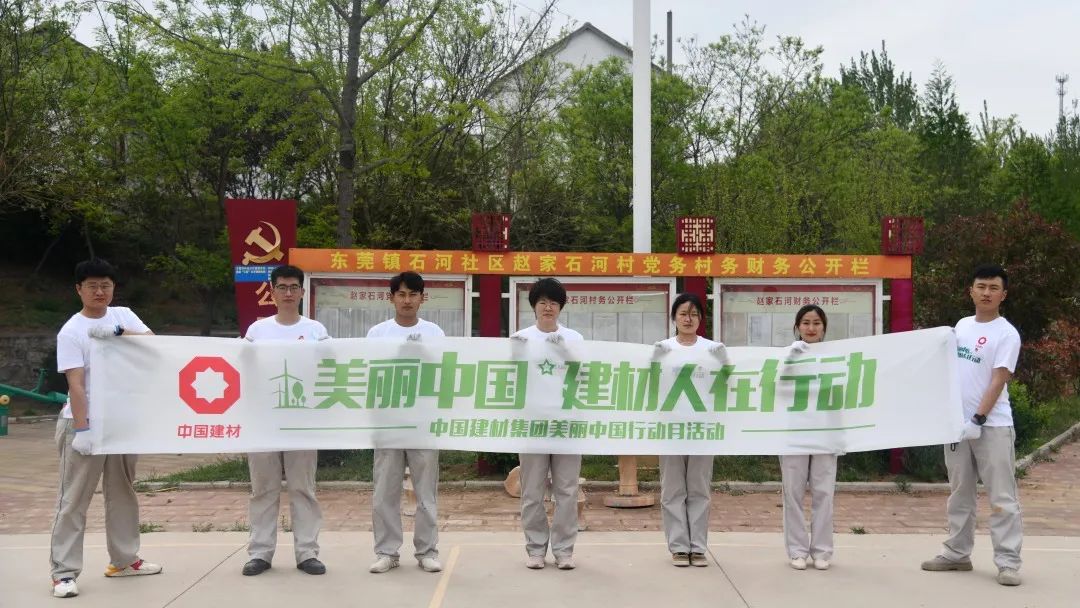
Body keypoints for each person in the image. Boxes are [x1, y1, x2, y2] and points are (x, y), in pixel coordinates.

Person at [50, 258, 162, 598]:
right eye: (92, 286)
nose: (100, 292)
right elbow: (76, 385)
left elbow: (153, 343)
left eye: (106, 285)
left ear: (113, 288)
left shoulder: (123, 316)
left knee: (123, 492)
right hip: (83, 423)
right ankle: (63, 573)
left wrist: (118, 334)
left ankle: (124, 560)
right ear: (79, 289)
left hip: (122, 421)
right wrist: (83, 429)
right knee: (74, 498)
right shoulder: (71, 331)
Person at [921, 264, 1023, 586]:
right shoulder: (962, 326)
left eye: (994, 288)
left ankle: (1008, 562)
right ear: (971, 291)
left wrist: (978, 419)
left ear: (1003, 295)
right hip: (957, 426)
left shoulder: (1007, 334)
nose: (986, 293)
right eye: (981, 287)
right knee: (959, 493)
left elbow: (998, 379)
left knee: (1001, 497)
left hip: (992, 427)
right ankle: (957, 553)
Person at [242, 265, 327, 577]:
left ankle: (307, 552)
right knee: (263, 489)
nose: (288, 293)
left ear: (302, 292)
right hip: (263, 420)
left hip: (302, 420)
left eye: (293, 287)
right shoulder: (257, 331)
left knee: (303, 488)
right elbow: (244, 369)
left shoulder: (316, 331)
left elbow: (328, 369)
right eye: (282, 287)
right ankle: (260, 552)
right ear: (272, 292)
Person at [366, 271, 444, 574]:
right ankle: (387, 552)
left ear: (422, 298)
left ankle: (427, 551)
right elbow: (370, 375)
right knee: (385, 491)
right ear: (391, 298)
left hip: (423, 422)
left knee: (426, 492)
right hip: (388, 423)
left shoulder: (434, 333)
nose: (407, 300)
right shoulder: (378, 334)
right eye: (401, 294)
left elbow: (443, 374)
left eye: (413, 294)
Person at [510, 278, 584, 570]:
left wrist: (565, 351)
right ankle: (536, 549)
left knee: (567, 491)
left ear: (561, 307)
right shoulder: (520, 338)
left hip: (567, 425)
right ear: (534, 306)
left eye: (554, 302)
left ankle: (564, 550)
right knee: (532, 491)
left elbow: (587, 375)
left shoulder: (574, 338)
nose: (548, 307)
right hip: (532, 425)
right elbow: (509, 377)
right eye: (542, 302)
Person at [653, 293, 728, 567]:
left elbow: (730, 383)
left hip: (702, 430)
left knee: (699, 489)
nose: (688, 319)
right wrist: (653, 361)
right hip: (670, 429)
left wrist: (726, 363)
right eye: (683, 313)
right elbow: (647, 383)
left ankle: (697, 547)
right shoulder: (663, 348)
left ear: (701, 319)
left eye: (694, 314)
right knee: (672, 490)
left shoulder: (712, 349)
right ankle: (678, 547)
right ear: (674, 317)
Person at [780, 304, 838, 571]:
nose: (811, 328)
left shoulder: (835, 356)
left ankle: (822, 551)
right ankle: (797, 550)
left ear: (824, 327)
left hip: (826, 432)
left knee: (824, 493)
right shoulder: (787, 354)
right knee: (792, 493)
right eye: (805, 322)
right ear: (797, 327)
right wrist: (790, 359)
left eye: (816, 323)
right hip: (794, 432)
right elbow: (775, 385)